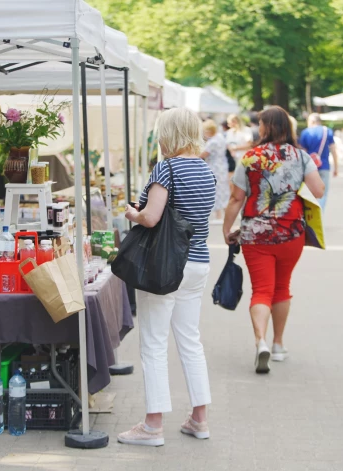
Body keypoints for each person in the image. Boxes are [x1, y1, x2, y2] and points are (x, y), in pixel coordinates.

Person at [118, 108, 216, 447]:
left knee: (154, 344)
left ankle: (152, 425)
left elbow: (151, 217)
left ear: (169, 133)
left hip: (164, 265)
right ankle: (199, 419)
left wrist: (133, 212)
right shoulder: (206, 169)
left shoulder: (167, 168)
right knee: (190, 341)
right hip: (198, 262)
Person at [223, 106, 324, 374]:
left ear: (265, 127)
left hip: (256, 234)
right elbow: (318, 189)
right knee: (282, 287)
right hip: (291, 233)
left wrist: (226, 228)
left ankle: (261, 342)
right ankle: (278, 345)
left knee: (261, 290)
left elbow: (236, 198)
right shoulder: (301, 157)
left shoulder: (250, 157)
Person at [299, 113, 339, 210]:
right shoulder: (327, 131)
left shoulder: (305, 133)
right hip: (324, 166)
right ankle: (320, 214)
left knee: (308, 193)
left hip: (309, 168)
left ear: (312, 121)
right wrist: (336, 167)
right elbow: (333, 150)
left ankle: (310, 215)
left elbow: (302, 152)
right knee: (323, 193)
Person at [201, 119, 230, 221]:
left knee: (215, 190)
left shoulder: (212, 142)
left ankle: (218, 215)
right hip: (222, 166)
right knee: (223, 190)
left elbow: (203, 154)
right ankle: (226, 214)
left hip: (214, 167)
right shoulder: (220, 137)